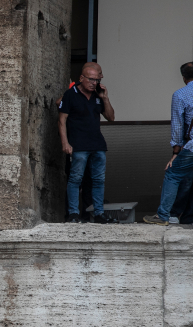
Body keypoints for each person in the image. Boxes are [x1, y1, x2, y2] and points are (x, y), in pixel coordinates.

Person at [58, 62, 118, 223]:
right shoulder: (71, 94)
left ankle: (99, 213)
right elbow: (61, 120)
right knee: (75, 179)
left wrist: (105, 98)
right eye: (91, 79)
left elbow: (111, 117)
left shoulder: (98, 94)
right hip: (78, 145)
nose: (94, 83)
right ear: (81, 78)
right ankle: (73, 214)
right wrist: (65, 142)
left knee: (98, 180)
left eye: (97, 80)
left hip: (98, 145)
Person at [144, 62, 193, 226]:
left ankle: (163, 215)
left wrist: (176, 151)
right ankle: (189, 217)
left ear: (183, 77)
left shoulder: (181, 94)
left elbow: (178, 126)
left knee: (173, 174)